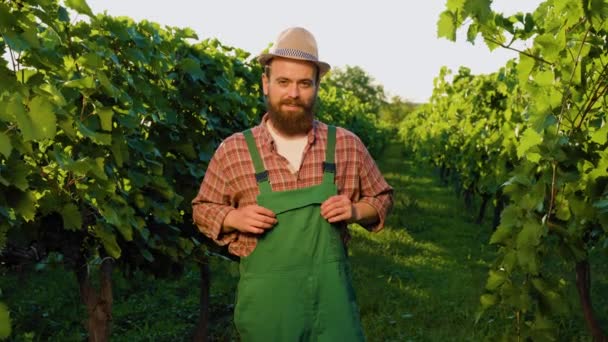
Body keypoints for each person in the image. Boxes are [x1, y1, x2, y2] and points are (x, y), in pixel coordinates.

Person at [192, 26, 393, 341]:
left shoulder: (346, 145)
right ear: (266, 84)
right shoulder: (234, 150)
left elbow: (381, 199)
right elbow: (202, 209)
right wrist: (234, 217)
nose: (293, 94)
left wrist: (355, 211)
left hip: (333, 314)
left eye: (304, 83)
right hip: (268, 317)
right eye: (283, 82)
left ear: (317, 86)